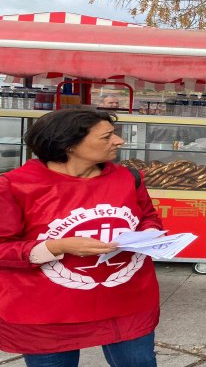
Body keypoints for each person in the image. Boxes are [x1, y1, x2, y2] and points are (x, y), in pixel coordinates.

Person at [0, 109, 163, 366]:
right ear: (69, 145)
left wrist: (150, 233)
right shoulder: (15, 186)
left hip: (125, 300)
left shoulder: (127, 177)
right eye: (107, 136)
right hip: (48, 312)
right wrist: (55, 247)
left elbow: (148, 216)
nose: (119, 141)